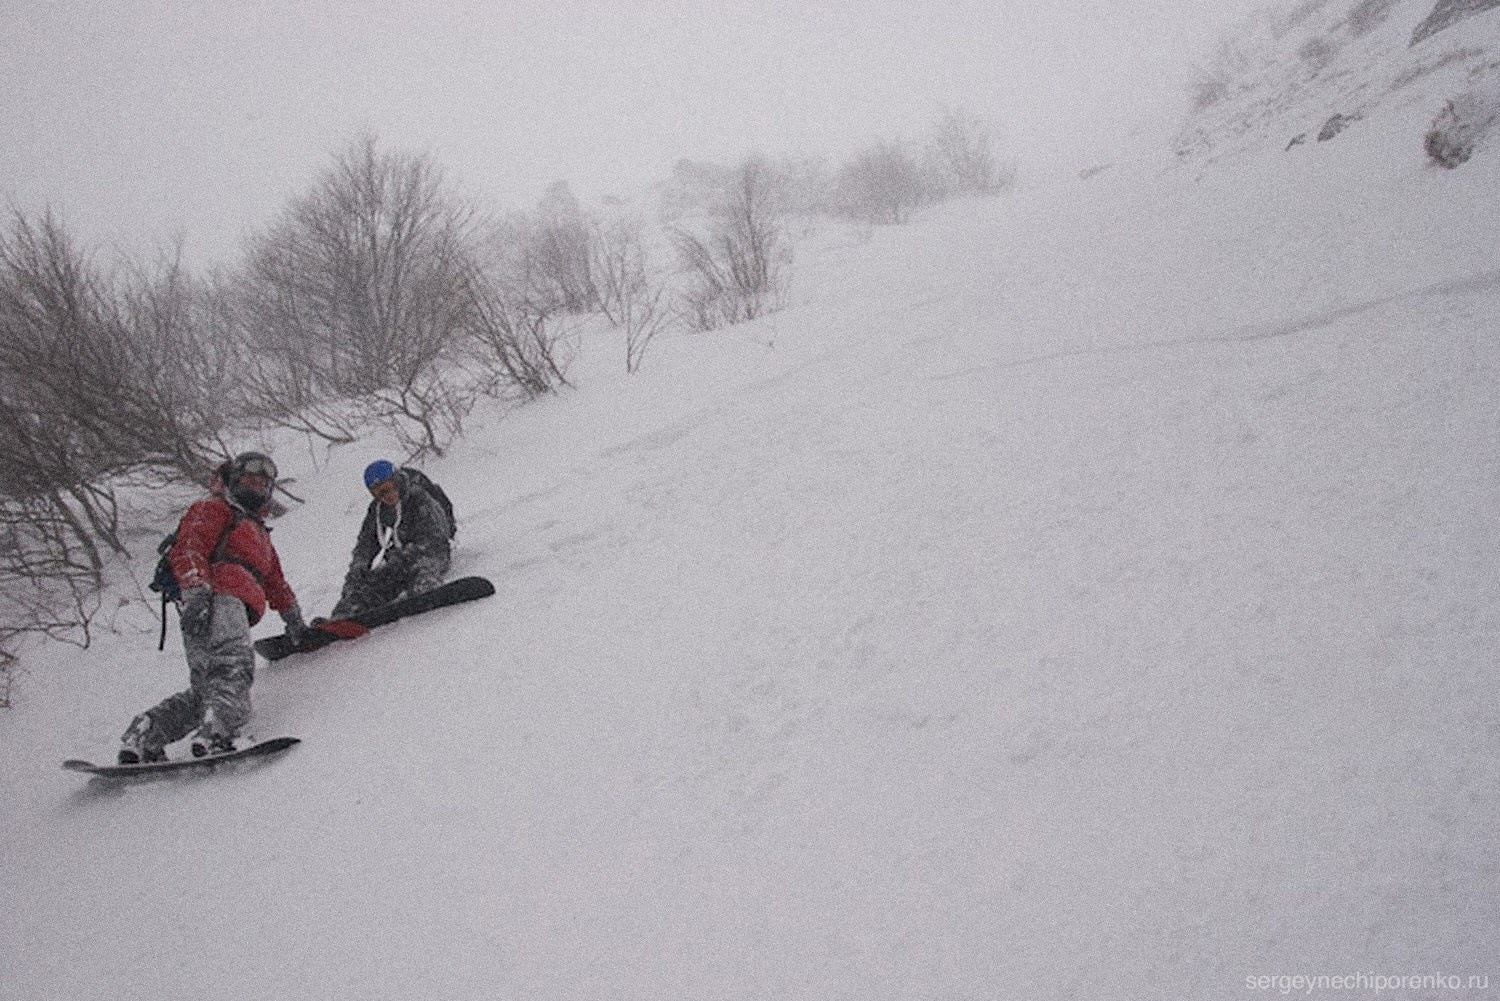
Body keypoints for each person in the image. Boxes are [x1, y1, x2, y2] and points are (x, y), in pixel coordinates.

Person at [119, 452, 307, 763]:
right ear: (235, 480)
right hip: (219, 598)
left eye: (262, 483)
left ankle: (146, 734)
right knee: (234, 668)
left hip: (206, 604)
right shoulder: (215, 509)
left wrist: (294, 620)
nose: (256, 487)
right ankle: (220, 732)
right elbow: (189, 548)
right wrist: (196, 592)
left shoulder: (258, 531)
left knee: (205, 689)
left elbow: (276, 583)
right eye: (249, 480)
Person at [329, 460, 452, 620]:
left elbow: (435, 537)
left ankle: (422, 590)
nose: (386, 495)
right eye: (378, 492)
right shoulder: (378, 508)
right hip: (402, 559)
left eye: (388, 487)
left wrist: (407, 555)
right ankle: (346, 613)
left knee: (420, 571)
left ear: (398, 481)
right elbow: (366, 543)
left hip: (431, 552)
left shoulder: (419, 498)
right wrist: (358, 568)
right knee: (369, 583)